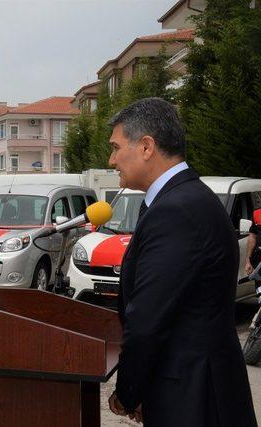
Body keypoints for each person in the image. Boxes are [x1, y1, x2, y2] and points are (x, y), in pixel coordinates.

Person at [106, 97, 257, 425]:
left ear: (146, 146)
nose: (111, 160)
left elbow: (148, 317)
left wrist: (129, 392)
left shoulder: (177, 210)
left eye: (116, 148)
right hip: (195, 388)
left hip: (193, 397)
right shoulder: (184, 200)